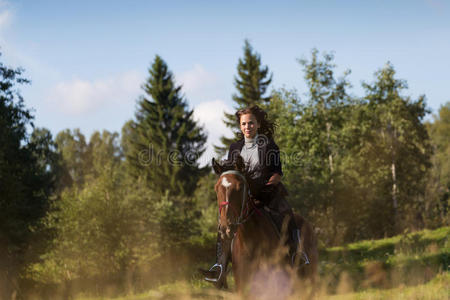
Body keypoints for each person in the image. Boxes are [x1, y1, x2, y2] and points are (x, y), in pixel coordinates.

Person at [202, 105, 309, 283]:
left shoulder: (268, 145)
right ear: (240, 126)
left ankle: (296, 255)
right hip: (244, 197)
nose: (247, 127)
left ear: (258, 124)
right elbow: (231, 172)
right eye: (244, 124)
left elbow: (277, 173)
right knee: (224, 223)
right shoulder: (235, 147)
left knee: (286, 214)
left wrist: (265, 189)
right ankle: (219, 266)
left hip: (268, 194)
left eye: (251, 123)